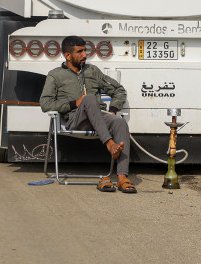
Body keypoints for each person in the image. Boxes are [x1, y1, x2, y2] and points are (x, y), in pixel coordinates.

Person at [39, 35, 136, 193]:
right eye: (80, 51)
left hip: (98, 118)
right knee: (89, 98)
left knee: (119, 122)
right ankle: (110, 145)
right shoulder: (55, 75)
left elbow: (119, 90)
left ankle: (121, 177)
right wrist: (74, 103)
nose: (85, 55)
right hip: (75, 120)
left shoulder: (92, 71)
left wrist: (112, 110)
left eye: (85, 50)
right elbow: (45, 103)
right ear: (68, 55)